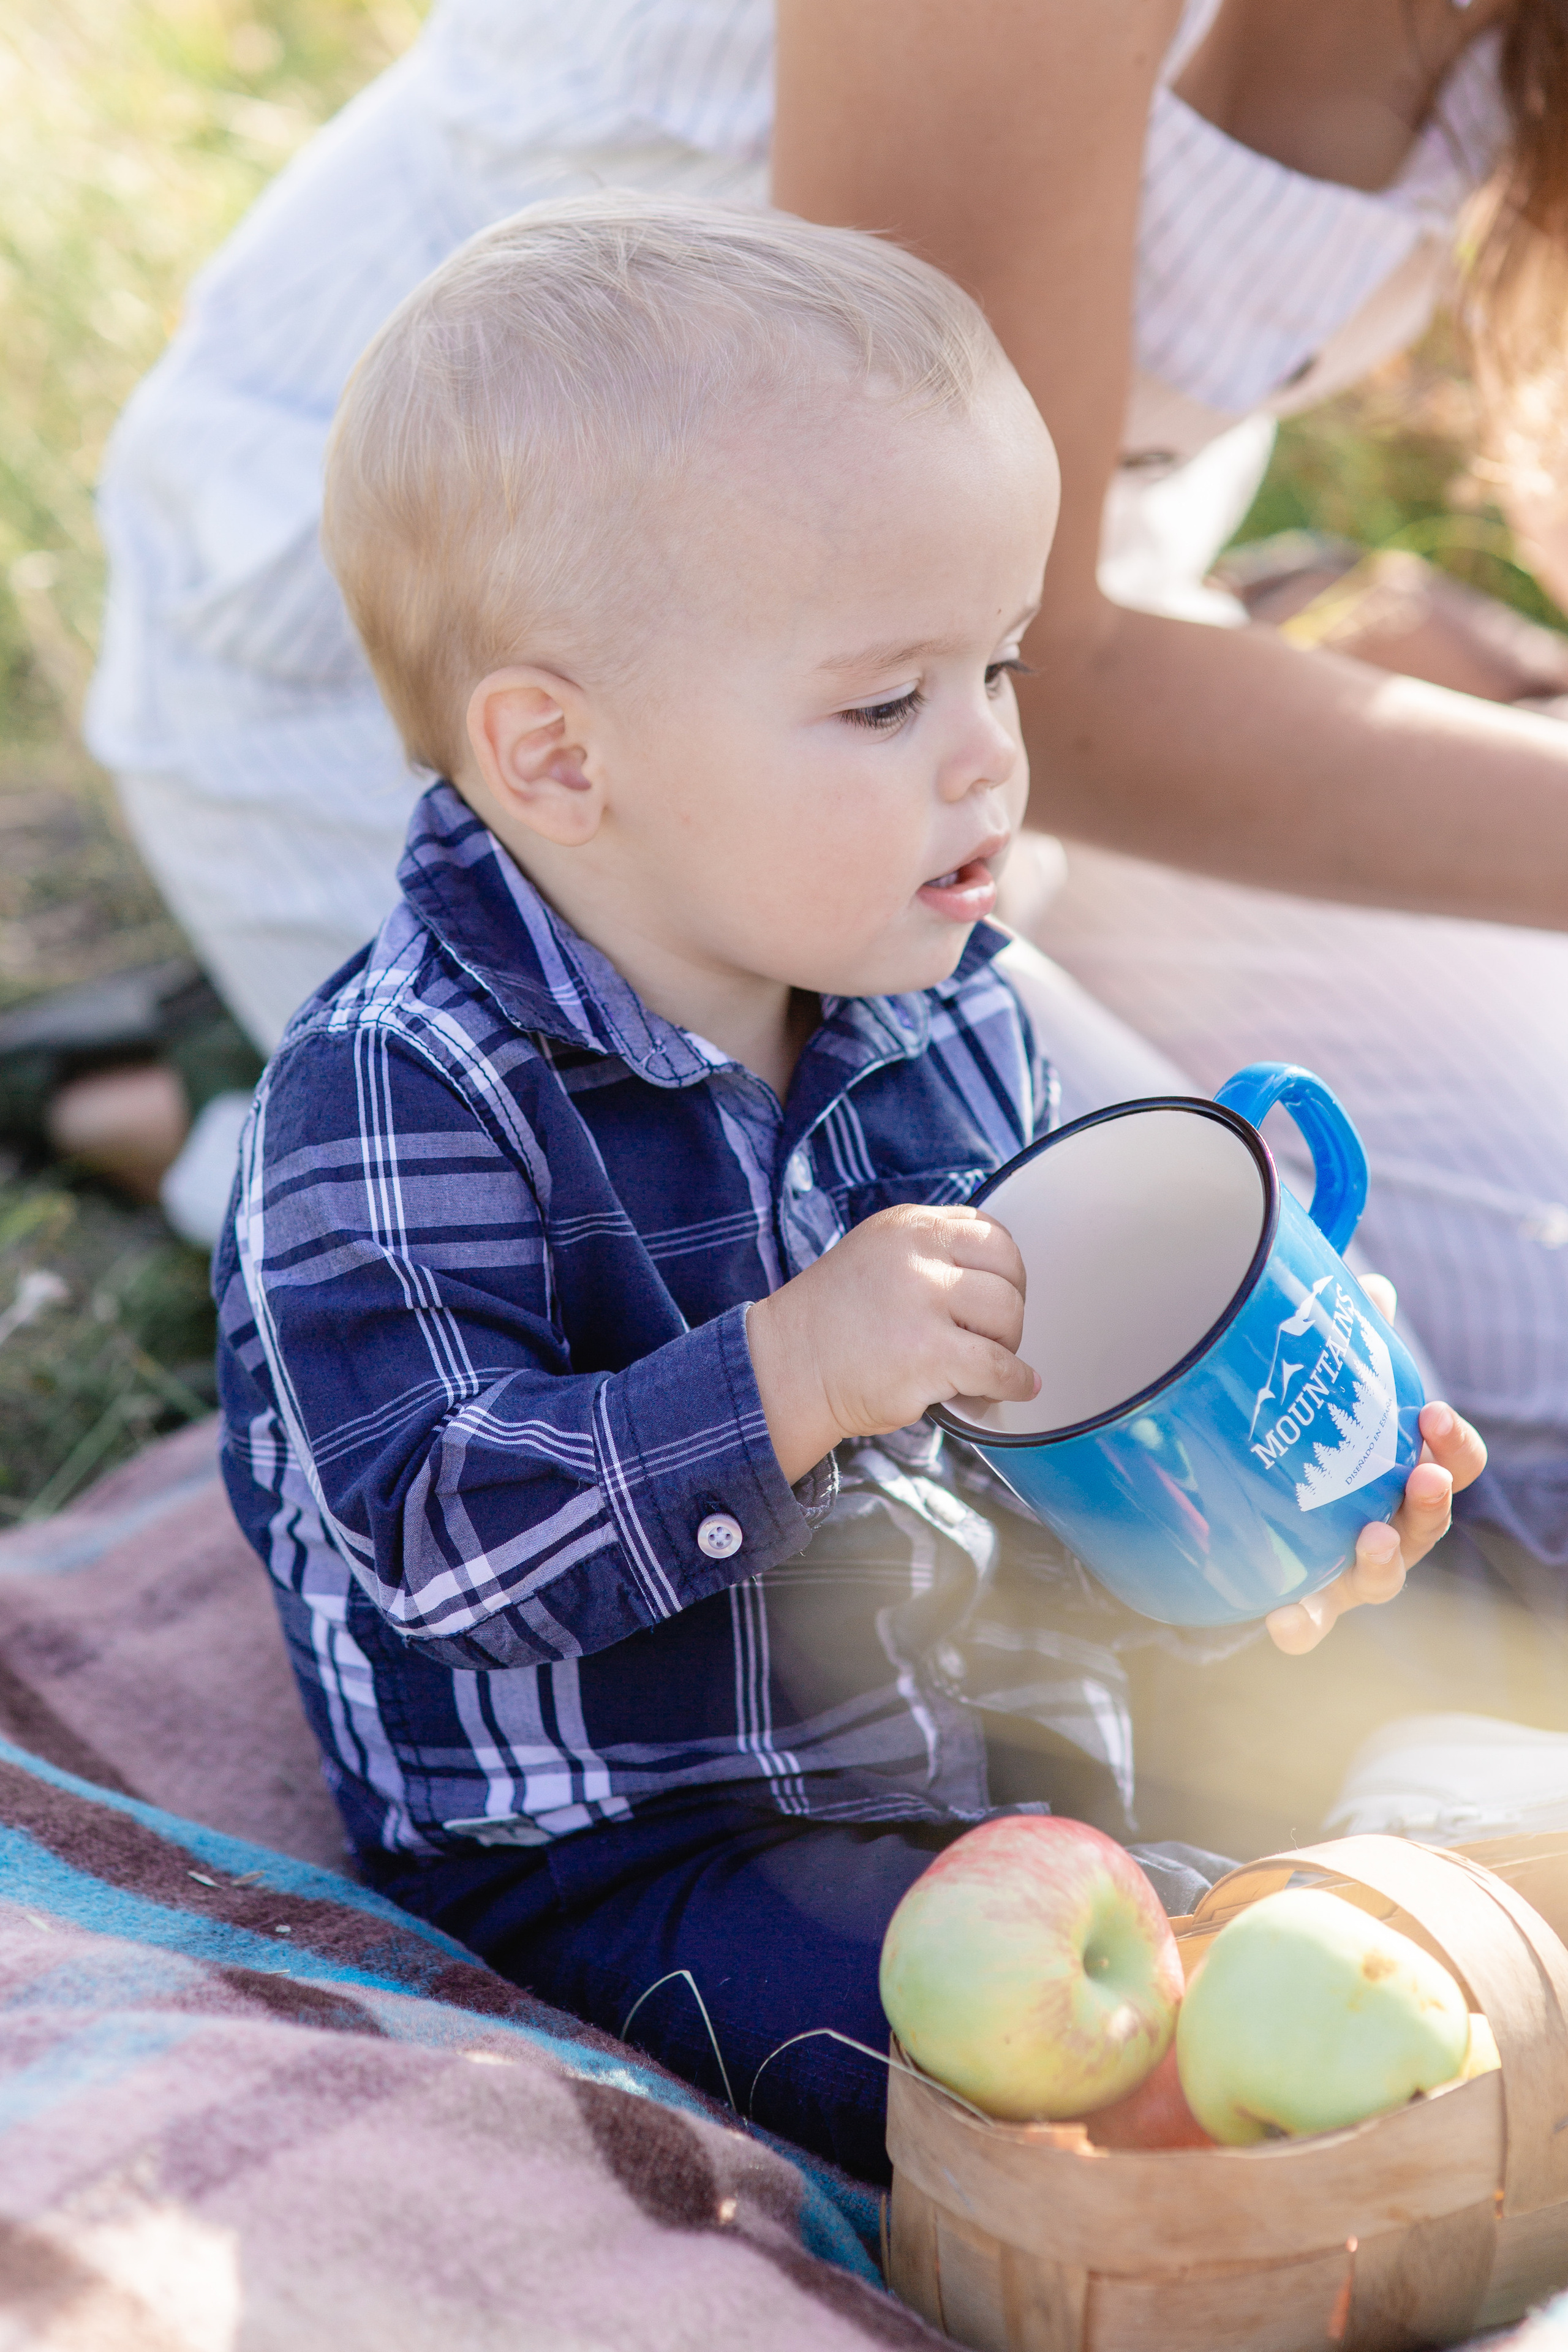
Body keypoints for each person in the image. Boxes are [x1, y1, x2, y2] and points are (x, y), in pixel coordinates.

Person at [213, 195, 1484, 2180]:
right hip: (642, 1839)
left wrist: (1252, 1542)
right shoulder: (394, 1091)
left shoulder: (933, 999)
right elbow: (438, 1551)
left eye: (995, 666)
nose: (987, 759)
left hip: (967, 1746)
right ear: (558, 756)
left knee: (1371, 1767)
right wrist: (791, 1371)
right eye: (890, 702)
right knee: (1024, 2087)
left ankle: (1307, 1935)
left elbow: (1014, 1459)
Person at [81, 0, 1568, 1575]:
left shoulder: (952, 722)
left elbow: (1024, 680)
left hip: (930, 713)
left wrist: (952, 688)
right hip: (526, 714)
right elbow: (453, 1536)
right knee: (907, 1363)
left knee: (1448, 1330)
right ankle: (297, 1112)